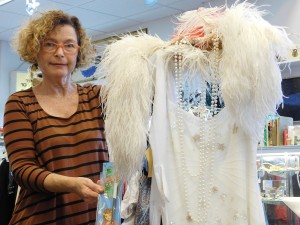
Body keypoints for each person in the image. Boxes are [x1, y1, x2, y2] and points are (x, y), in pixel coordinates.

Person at [3, 10, 108, 224]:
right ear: (35, 50)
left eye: (69, 45)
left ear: (78, 51)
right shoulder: (20, 103)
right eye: (50, 44)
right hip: (41, 219)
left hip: (92, 218)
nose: (60, 52)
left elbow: (144, 95)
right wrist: (71, 184)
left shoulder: (96, 96)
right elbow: (23, 170)